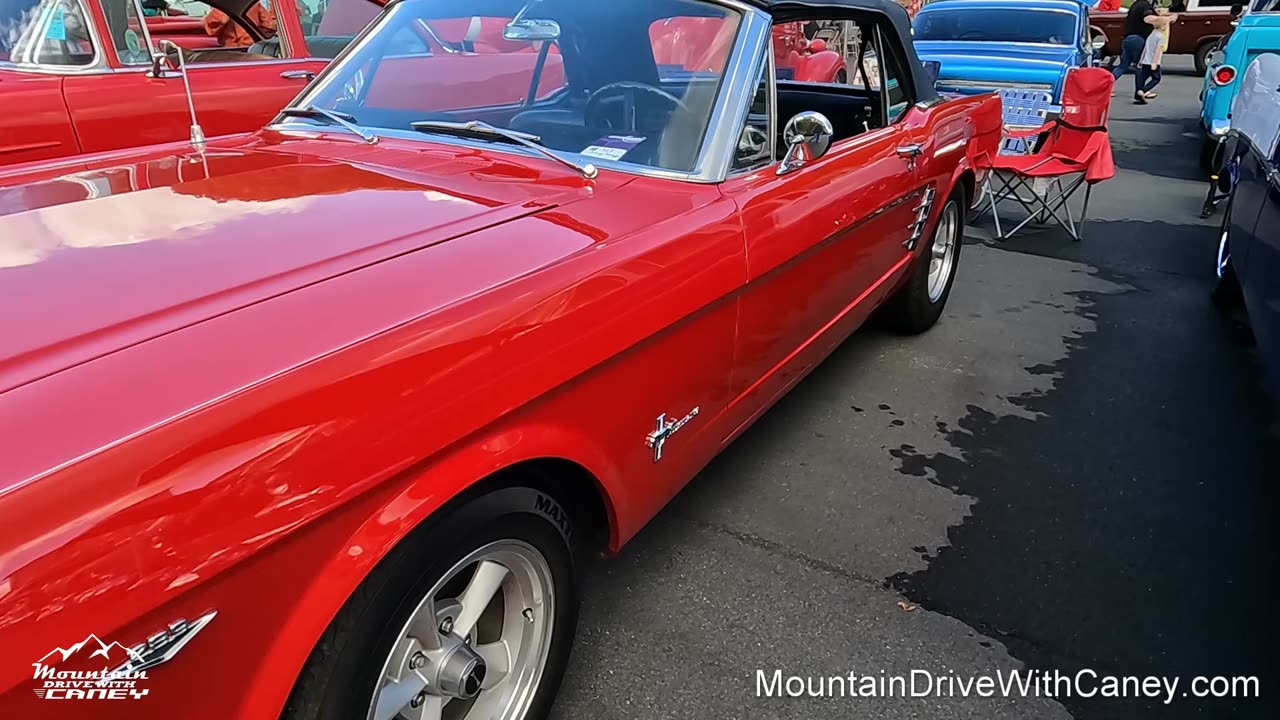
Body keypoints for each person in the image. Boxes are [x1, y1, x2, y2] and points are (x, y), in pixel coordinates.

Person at [1111, 0, 1157, 99]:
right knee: (1140, 66)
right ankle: (1140, 90)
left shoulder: (1135, 5)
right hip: (1138, 39)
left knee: (1122, 66)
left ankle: (1105, 86)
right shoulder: (1145, 5)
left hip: (1127, 39)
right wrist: (1163, 19)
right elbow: (1148, 18)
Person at [1136, 5, 1178, 102]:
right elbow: (1157, 50)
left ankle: (1140, 89)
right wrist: (1154, 63)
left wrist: (1141, 60)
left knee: (1144, 76)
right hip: (1153, 62)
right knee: (1156, 78)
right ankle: (1143, 90)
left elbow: (1146, 48)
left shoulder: (1151, 35)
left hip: (1146, 61)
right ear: (1163, 26)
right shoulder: (1161, 37)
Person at [204, 1, 276, 48]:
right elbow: (269, 25)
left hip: (232, 51)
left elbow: (212, 26)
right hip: (252, 47)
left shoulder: (223, 5)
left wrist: (204, 21)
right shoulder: (255, 4)